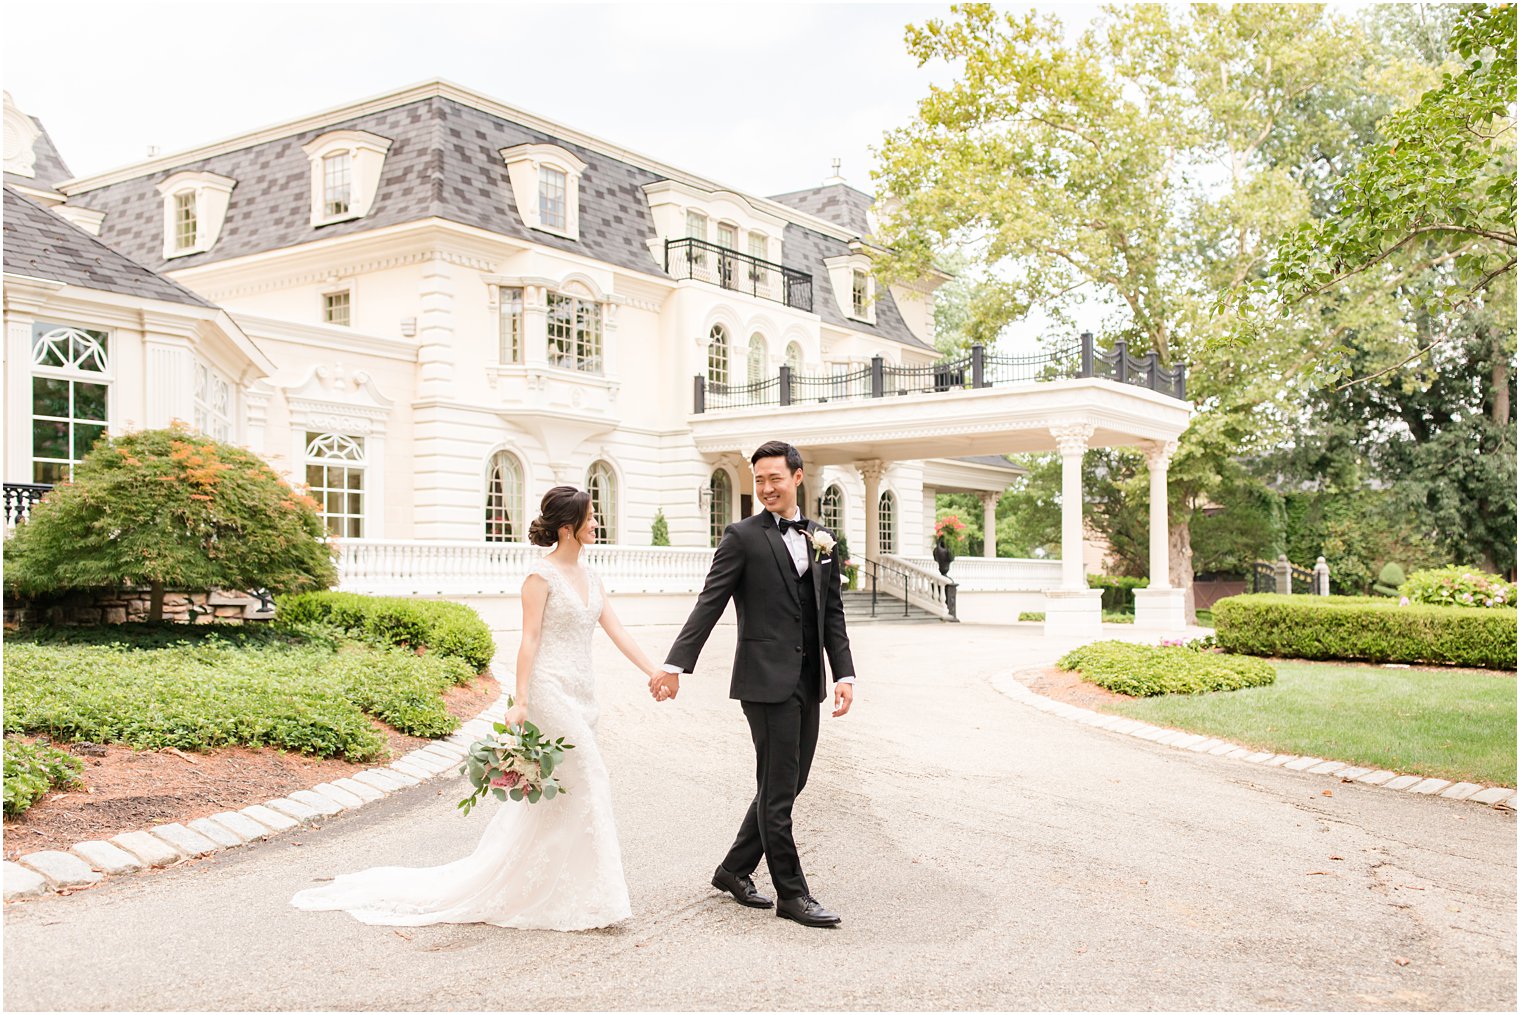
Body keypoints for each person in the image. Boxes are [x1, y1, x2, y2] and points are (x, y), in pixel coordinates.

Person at [289, 486, 665, 930]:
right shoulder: (539, 578)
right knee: (590, 776)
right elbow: (529, 640)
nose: (597, 524)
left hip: (585, 694)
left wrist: (654, 671)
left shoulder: (592, 576)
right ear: (568, 527)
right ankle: (600, 898)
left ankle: (561, 888)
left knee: (563, 794)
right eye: (591, 518)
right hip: (549, 690)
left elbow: (615, 628)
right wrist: (521, 700)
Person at [651, 440, 856, 929]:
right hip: (764, 682)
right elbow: (710, 602)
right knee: (780, 790)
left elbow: (831, 613)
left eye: (774, 479)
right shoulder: (741, 536)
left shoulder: (821, 537)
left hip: (808, 680)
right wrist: (676, 665)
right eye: (758, 480)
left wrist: (843, 671)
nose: (765, 488)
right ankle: (793, 894)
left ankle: (733, 870)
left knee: (787, 783)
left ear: (797, 477)